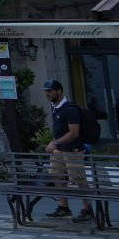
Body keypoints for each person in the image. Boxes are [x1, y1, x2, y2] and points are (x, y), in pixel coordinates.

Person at [43, 78, 94, 224]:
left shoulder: (70, 109)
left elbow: (73, 133)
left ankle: (87, 210)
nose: (48, 94)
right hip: (60, 150)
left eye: (50, 91)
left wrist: (56, 142)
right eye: (46, 91)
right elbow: (60, 129)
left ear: (59, 91)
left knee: (79, 179)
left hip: (73, 150)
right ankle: (63, 207)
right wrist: (54, 142)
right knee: (57, 176)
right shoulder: (56, 106)